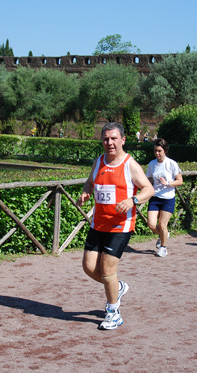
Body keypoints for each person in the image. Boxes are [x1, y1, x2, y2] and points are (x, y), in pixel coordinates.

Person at [76, 122, 154, 330]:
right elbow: (89, 183)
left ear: (123, 140)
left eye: (113, 138)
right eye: (105, 139)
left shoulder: (130, 165)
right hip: (98, 223)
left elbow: (149, 189)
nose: (109, 143)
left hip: (120, 226)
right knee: (89, 267)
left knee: (107, 269)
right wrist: (85, 192)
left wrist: (133, 201)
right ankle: (118, 287)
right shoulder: (99, 162)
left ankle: (113, 312)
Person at [146, 138, 183, 257]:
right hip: (155, 197)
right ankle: (164, 235)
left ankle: (163, 247)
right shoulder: (152, 164)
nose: (157, 153)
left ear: (165, 151)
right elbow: (149, 179)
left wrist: (168, 183)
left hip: (168, 198)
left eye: (159, 151)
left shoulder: (172, 164)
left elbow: (180, 181)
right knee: (151, 224)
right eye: (155, 151)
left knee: (162, 225)